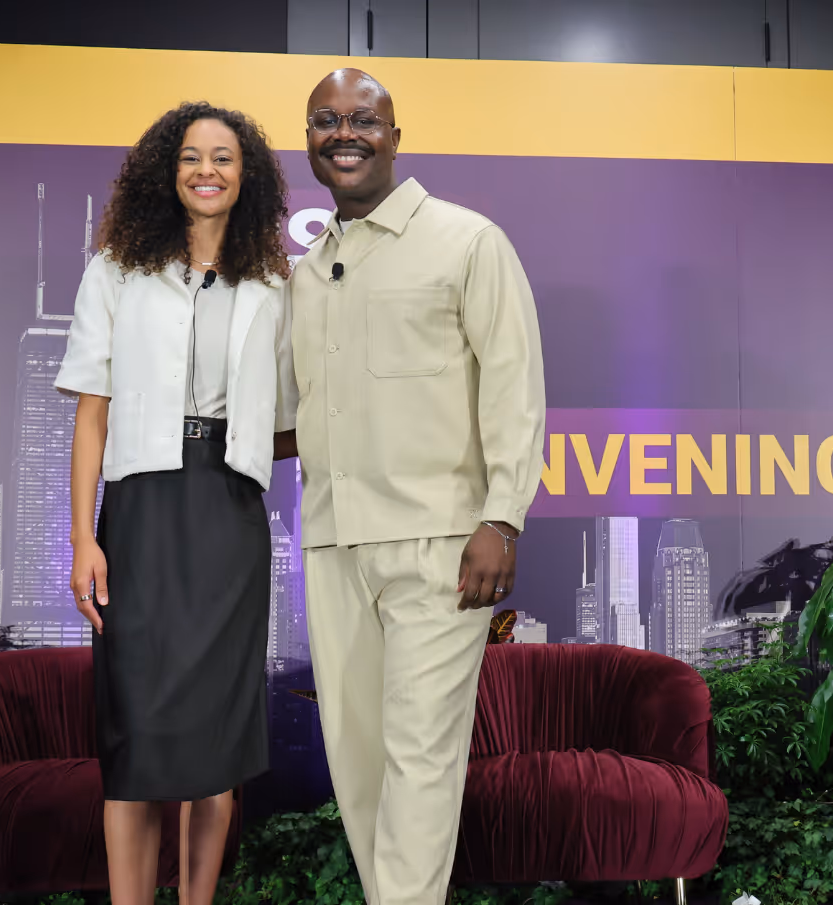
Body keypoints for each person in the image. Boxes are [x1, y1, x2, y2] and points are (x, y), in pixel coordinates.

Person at [288, 68, 546, 905]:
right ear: (310, 140)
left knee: (422, 757)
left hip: (441, 543)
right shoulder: (305, 272)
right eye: (326, 120)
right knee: (358, 763)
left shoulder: (468, 241)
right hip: (332, 542)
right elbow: (303, 416)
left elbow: (515, 387)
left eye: (365, 118)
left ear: (396, 135)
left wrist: (501, 519)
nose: (345, 132)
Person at [56, 102, 298, 905]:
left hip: (228, 513)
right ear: (169, 170)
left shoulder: (271, 282)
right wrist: (82, 538)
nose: (206, 170)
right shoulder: (115, 269)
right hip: (139, 512)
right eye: (192, 156)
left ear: (246, 176)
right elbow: (92, 411)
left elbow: (293, 416)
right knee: (136, 740)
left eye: (223, 158)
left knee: (215, 743)